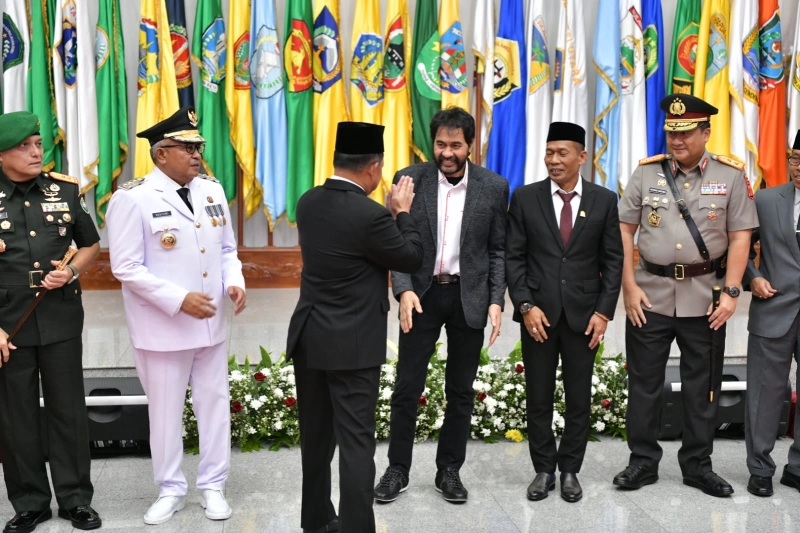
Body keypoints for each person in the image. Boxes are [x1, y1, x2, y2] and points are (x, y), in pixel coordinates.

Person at [106, 106, 246, 525]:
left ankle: (213, 485)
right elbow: (126, 267)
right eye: (186, 147)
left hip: (211, 323)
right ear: (160, 153)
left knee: (214, 404)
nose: (197, 154)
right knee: (165, 412)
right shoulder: (132, 198)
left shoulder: (211, 191)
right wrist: (178, 298)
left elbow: (226, 250)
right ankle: (169, 488)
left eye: (198, 146)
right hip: (162, 328)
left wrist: (234, 281)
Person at [614, 94, 758, 497]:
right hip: (650, 295)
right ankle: (642, 462)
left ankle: (697, 465)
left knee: (703, 386)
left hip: (706, 297)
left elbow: (740, 236)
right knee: (644, 384)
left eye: (686, 133)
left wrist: (731, 292)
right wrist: (629, 286)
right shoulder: (646, 174)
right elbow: (624, 230)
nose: (677, 140)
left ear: (706, 132)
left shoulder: (730, 176)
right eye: (671, 132)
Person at [286, 122, 423, 533]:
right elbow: (412, 257)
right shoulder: (373, 215)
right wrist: (402, 213)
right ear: (374, 167)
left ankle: (315, 522)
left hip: (310, 337)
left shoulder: (308, 202)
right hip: (353, 346)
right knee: (356, 444)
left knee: (316, 441)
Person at [374, 107, 508, 504]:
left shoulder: (494, 186)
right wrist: (402, 290)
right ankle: (397, 469)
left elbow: (497, 249)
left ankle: (449, 470)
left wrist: (497, 300)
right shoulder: (409, 179)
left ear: (470, 145)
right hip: (421, 295)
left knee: (460, 390)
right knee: (407, 387)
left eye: (455, 145)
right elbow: (392, 242)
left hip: (469, 297)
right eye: (440, 144)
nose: (447, 153)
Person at [505, 122, 623, 502]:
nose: (553, 160)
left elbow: (614, 260)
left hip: (583, 317)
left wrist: (603, 313)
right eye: (549, 152)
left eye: (562, 153)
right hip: (537, 315)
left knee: (579, 398)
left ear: (582, 157)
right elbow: (514, 258)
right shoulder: (525, 198)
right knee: (537, 396)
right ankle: (543, 470)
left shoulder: (604, 200)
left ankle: (570, 469)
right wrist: (525, 306)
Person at [0, 111, 102, 532]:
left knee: (68, 411)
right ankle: (30, 503)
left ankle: (76, 499)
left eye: (39, 143)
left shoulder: (64, 189)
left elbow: (90, 245)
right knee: (15, 414)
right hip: (9, 322)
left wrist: (72, 271)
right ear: (2, 153)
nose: (37, 151)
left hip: (59, 314)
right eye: (25, 146)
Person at [742, 131, 800, 497]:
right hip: (773, 307)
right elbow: (738, 247)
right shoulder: (765, 199)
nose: (798, 168)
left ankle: (797, 469)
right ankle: (760, 468)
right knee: (765, 393)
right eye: (795, 159)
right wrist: (754, 277)